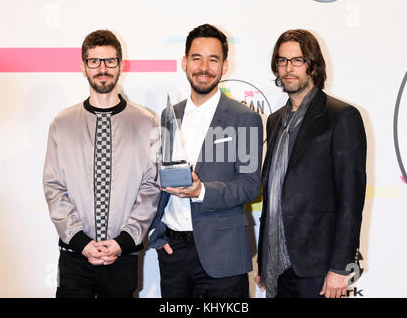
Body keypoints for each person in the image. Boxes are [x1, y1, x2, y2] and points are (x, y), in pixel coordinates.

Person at [43, 30, 161, 298]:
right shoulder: (62, 123)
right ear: (83, 67)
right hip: (74, 256)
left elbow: (151, 188)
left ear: (121, 65)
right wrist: (81, 242)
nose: (102, 69)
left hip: (123, 257)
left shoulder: (146, 122)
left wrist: (122, 242)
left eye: (109, 61)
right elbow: (53, 186)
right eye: (94, 61)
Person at [148, 24, 263, 298]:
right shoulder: (168, 115)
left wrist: (201, 191)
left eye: (213, 59)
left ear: (225, 66)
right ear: (184, 63)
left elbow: (249, 186)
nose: (204, 67)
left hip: (223, 253)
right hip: (173, 252)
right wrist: (157, 232)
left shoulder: (244, 119)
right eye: (197, 58)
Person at [256, 29, 367, 298]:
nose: (288, 68)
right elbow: (274, 194)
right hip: (277, 267)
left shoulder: (341, 116)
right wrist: (264, 258)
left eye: (297, 60)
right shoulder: (275, 120)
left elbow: (350, 200)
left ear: (313, 65)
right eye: (282, 61)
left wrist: (341, 268)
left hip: (317, 267)